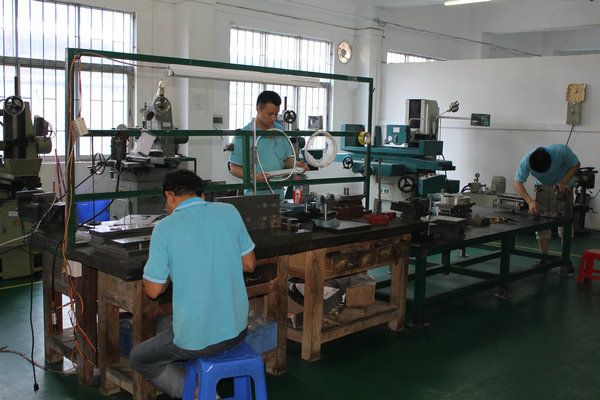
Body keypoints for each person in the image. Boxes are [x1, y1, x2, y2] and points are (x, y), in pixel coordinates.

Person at [129, 169, 256, 399]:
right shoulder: (229, 211)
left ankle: (200, 393)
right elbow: (249, 264)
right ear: (202, 196)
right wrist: (218, 260)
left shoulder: (164, 228)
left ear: (169, 196)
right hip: (238, 330)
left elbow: (153, 290)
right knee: (174, 327)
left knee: (139, 358)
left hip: (196, 340)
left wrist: (171, 271)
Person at [228, 90, 308, 197]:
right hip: (255, 194)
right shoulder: (244, 135)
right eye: (269, 114)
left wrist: (297, 165)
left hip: (278, 193)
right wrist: (254, 177)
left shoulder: (279, 131)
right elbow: (233, 168)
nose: (273, 118)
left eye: (276, 114)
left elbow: (287, 159)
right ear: (258, 109)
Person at [514, 144, 580, 257]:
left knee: (565, 224)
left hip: (563, 187)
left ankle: (565, 259)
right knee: (542, 224)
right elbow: (517, 182)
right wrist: (530, 202)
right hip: (542, 188)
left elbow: (576, 164)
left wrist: (564, 181)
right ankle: (543, 257)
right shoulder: (526, 160)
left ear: (551, 160)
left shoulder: (561, 151)